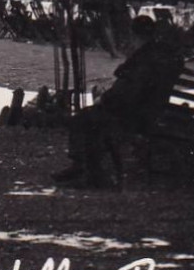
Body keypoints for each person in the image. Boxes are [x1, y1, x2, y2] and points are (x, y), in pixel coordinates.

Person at [53, 15, 185, 188]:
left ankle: (90, 173)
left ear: (134, 36)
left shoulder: (144, 60)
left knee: (85, 118)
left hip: (137, 114)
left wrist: (105, 99)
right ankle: (83, 167)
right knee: (90, 117)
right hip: (150, 109)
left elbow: (129, 93)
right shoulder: (155, 55)